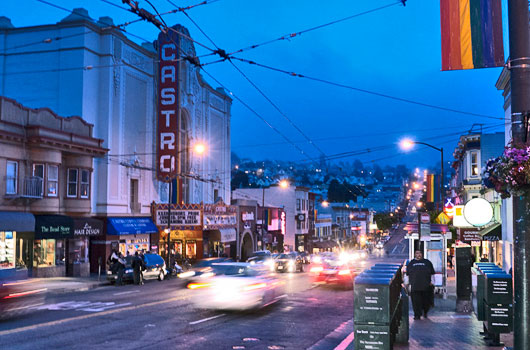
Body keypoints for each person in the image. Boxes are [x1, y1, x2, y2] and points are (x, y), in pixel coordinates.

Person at [407, 250, 435, 320]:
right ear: (414, 254)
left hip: (426, 286)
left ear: (422, 254)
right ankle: (417, 315)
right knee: (416, 302)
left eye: (419, 253)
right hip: (415, 286)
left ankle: (425, 312)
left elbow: (432, 274)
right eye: (417, 253)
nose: (418, 255)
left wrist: (433, 282)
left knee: (426, 301)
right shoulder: (411, 263)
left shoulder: (427, 262)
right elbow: (407, 275)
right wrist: (407, 284)